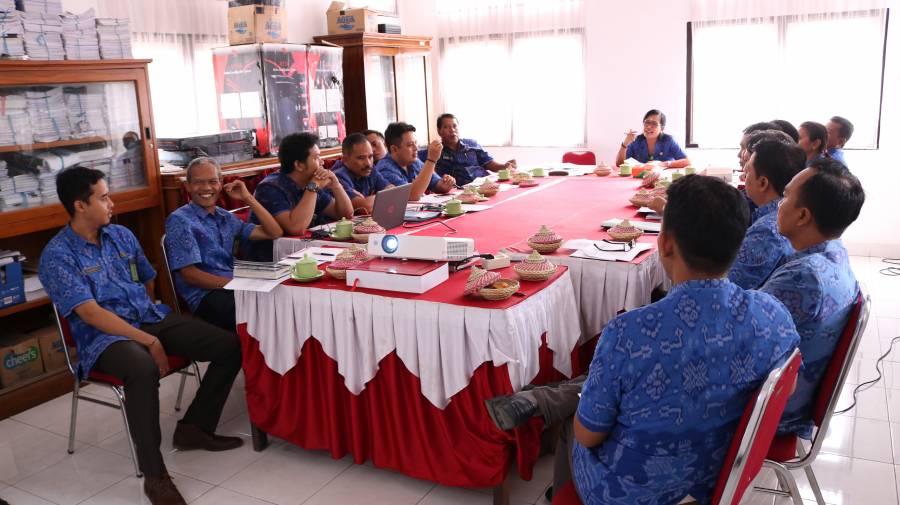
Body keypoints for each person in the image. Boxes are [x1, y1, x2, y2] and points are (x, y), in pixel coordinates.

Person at [487, 175, 800, 504]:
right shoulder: (772, 315)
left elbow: (588, 435)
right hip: (720, 475)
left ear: (665, 244)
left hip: (633, 494)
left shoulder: (629, 333)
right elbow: (786, 387)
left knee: (572, 421)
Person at [39, 167, 244, 505]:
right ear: (80, 205)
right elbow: (90, 314)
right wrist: (147, 340)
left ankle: (195, 428)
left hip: (148, 317)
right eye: (104, 198)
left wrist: (148, 327)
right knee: (141, 368)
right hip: (103, 337)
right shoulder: (58, 255)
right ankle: (155, 476)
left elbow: (147, 277)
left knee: (229, 345)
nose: (111, 204)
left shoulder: (121, 235)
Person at [761, 158, 864, 438]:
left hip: (771, 410)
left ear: (803, 216)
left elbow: (739, 336)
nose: (779, 204)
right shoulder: (834, 251)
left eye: (785, 196)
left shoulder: (803, 278)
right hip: (794, 392)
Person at [164, 157, 283, 332]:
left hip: (234, 286)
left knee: (284, 300)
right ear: (187, 186)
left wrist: (247, 197)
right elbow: (190, 275)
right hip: (207, 296)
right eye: (198, 182)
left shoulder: (226, 217)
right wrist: (237, 283)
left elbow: (274, 232)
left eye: (213, 181)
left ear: (221, 184)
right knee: (267, 315)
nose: (206, 188)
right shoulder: (180, 220)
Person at [245, 132, 353, 261]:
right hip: (270, 260)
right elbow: (296, 228)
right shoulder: (270, 188)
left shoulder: (309, 182)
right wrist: (313, 187)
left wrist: (336, 185)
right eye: (316, 158)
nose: (322, 162)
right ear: (299, 165)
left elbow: (345, 214)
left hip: (303, 254)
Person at [727, 136, 805, 289]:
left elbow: (729, 285)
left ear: (763, 183)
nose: (743, 177)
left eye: (747, 172)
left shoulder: (766, 232)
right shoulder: (784, 215)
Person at [418, 113, 516, 186]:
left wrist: (505, 166)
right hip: (462, 191)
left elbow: (490, 164)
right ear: (439, 131)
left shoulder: (471, 144)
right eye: (446, 127)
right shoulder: (435, 151)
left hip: (486, 184)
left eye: (454, 126)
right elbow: (417, 161)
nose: (452, 130)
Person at [376, 122, 455, 201]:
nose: (416, 148)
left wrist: (446, 183)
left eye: (416, 143)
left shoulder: (414, 161)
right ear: (394, 149)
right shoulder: (385, 169)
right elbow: (411, 196)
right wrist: (431, 160)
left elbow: (437, 184)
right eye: (410, 145)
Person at [333, 132, 394, 214]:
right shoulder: (338, 177)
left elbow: (393, 190)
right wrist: (382, 196)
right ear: (345, 160)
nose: (368, 163)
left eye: (370, 156)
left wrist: (370, 199)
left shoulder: (370, 169)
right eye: (361, 158)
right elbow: (365, 206)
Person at [616, 109, 690, 168]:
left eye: (654, 124)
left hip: (663, 179)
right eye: (647, 122)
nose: (648, 126)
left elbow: (687, 161)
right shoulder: (636, 140)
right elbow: (620, 164)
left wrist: (664, 164)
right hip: (639, 178)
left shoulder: (668, 140)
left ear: (662, 128)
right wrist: (625, 144)